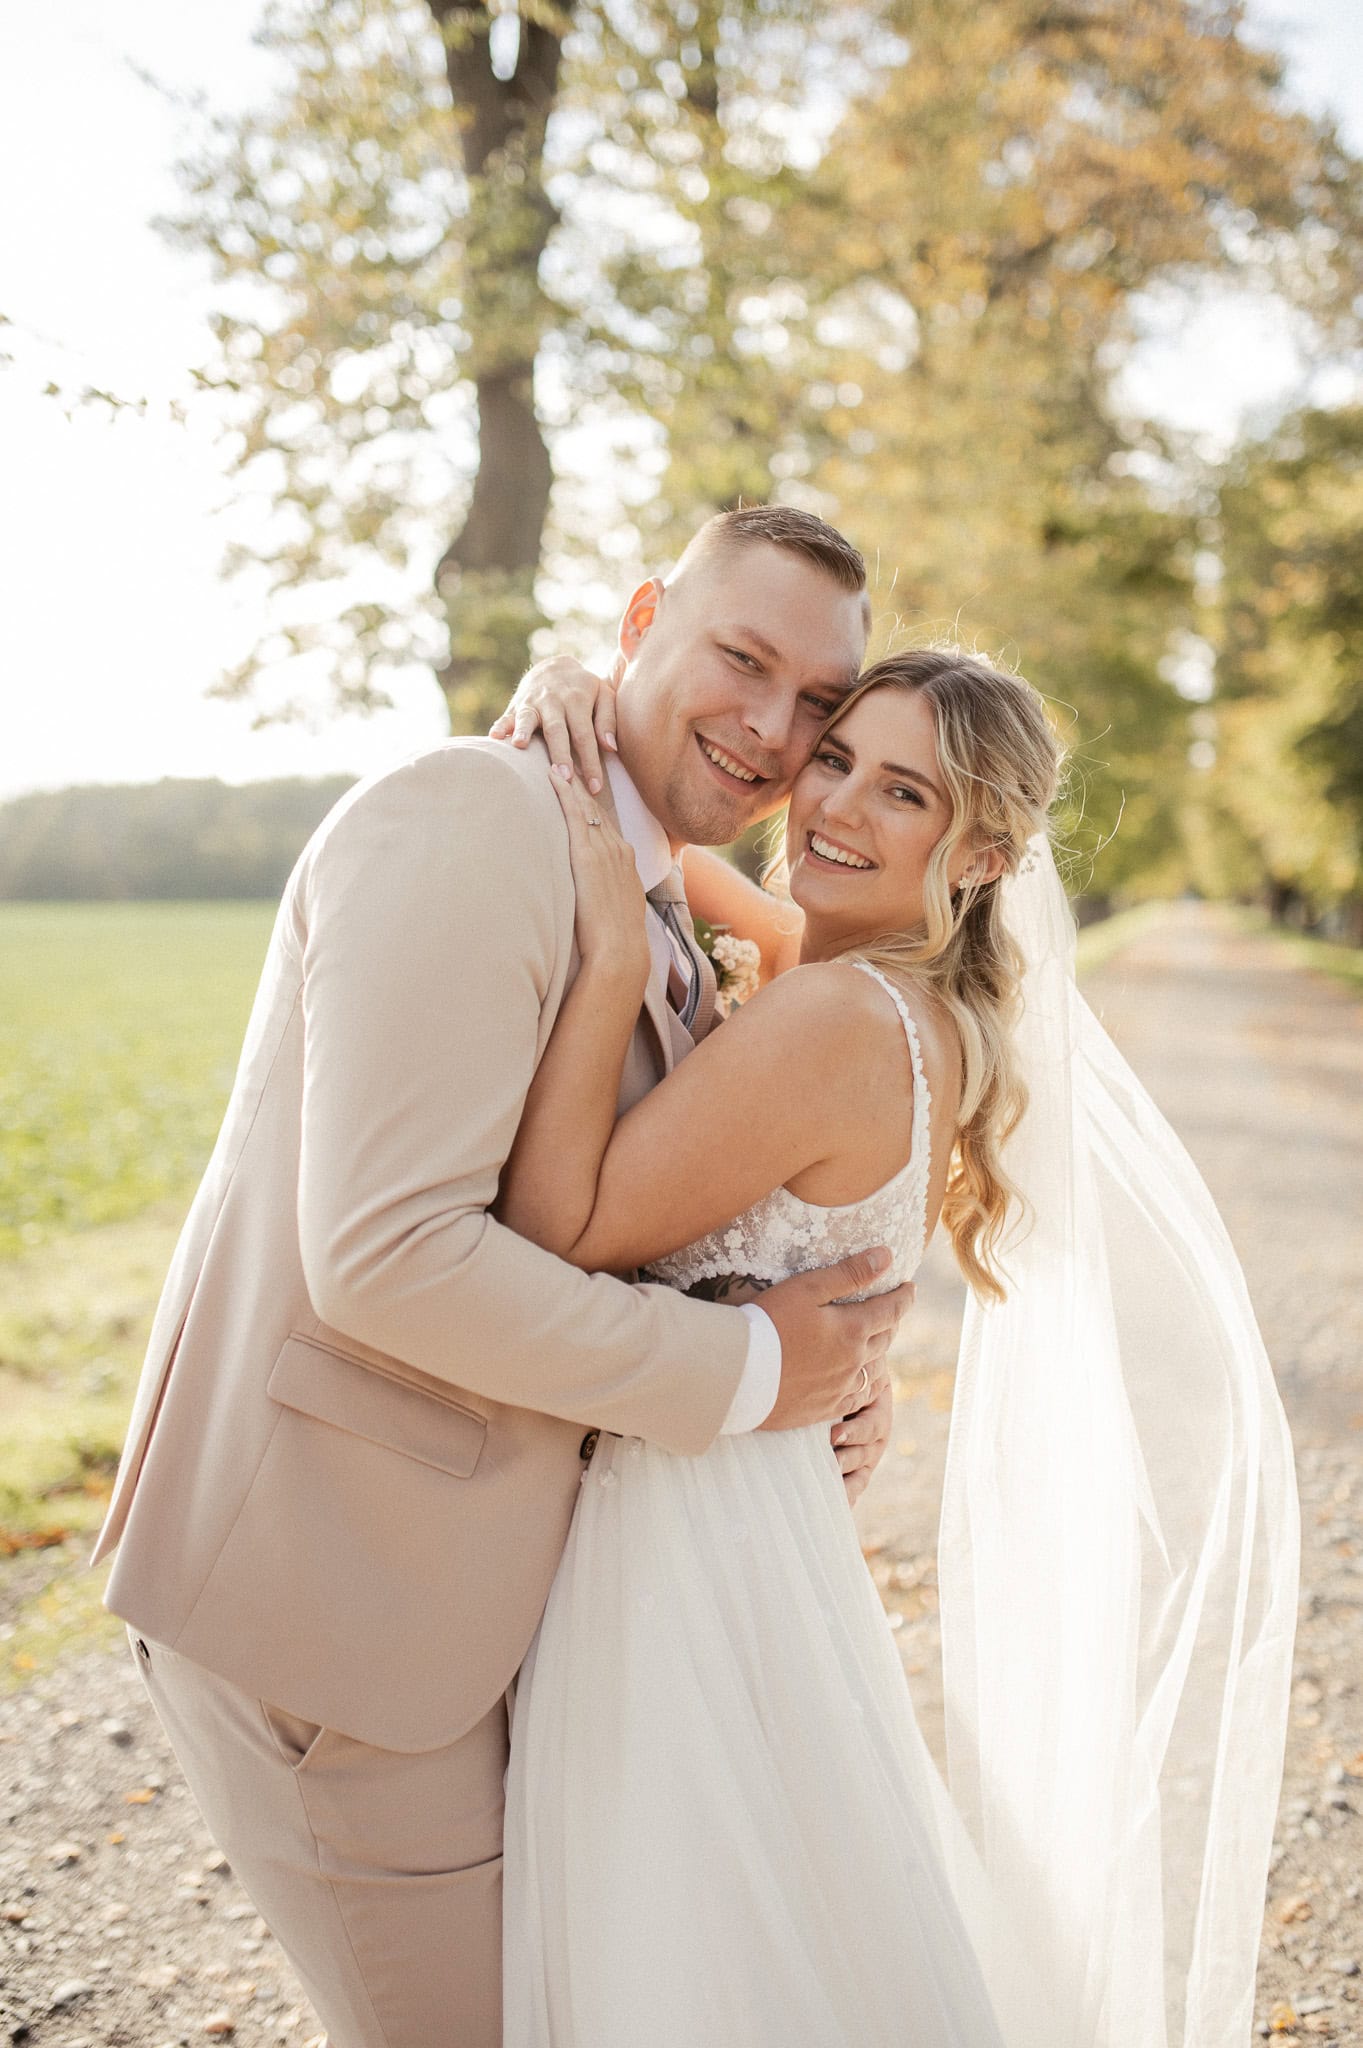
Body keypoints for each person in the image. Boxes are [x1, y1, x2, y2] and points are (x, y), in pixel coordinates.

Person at [90, 505, 917, 2048]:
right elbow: (388, 1258)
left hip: (486, 1605)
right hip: (339, 1607)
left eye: (817, 700)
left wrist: (814, 1367)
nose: (772, 726)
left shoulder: (645, 882)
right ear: (641, 621)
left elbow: (617, 1221)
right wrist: (749, 1373)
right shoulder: (473, 816)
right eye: (741, 659)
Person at [492, 645, 1300, 2047]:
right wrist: (573, 683)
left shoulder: (833, 1015)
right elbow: (694, 871)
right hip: (764, 1519)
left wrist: (615, 957)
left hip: (681, 1539)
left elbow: (561, 1228)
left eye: (904, 793)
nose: (836, 807)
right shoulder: (918, 1010)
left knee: (682, 1956)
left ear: (982, 856)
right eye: (834, 759)